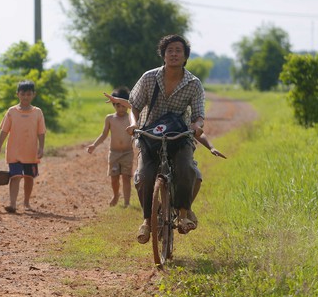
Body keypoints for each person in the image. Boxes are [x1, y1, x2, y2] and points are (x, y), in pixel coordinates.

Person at [105, 91, 227, 227]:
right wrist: (118, 100)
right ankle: (150, 218)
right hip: (152, 147)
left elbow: (195, 131)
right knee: (141, 177)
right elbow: (133, 106)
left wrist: (211, 147)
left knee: (195, 176)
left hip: (179, 146)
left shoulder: (183, 117)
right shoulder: (150, 113)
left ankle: (186, 209)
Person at [126, 34, 205, 244]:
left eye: (179, 50)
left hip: (179, 137)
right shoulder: (149, 78)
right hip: (150, 136)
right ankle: (146, 220)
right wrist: (134, 123)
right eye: (170, 50)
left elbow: (198, 114)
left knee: (186, 168)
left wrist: (197, 126)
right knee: (143, 176)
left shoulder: (194, 84)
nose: (174, 54)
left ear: (186, 56)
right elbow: (133, 105)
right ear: (163, 55)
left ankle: (183, 211)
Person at [0, 80, 46, 213]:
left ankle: (26, 203)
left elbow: (41, 132)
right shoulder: (11, 111)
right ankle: (12, 204)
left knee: (29, 177)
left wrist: (41, 148)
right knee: (15, 176)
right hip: (14, 151)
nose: (25, 97)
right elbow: (4, 131)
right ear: (17, 94)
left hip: (30, 151)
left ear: (34, 94)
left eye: (28, 94)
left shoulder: (37, 112)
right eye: (23, 94)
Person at [86, 87, 133, 207]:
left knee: (127, 177)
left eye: (123, 105)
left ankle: (127, 202)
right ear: (113, 105)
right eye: (117, 105)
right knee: (114, 177)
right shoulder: (110, 119)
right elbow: (104, 134)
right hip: (114, 153)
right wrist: (94, 145)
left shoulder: (131, 118)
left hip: (128, 152)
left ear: (127, 104)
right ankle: (116, 195)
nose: (121, 108)